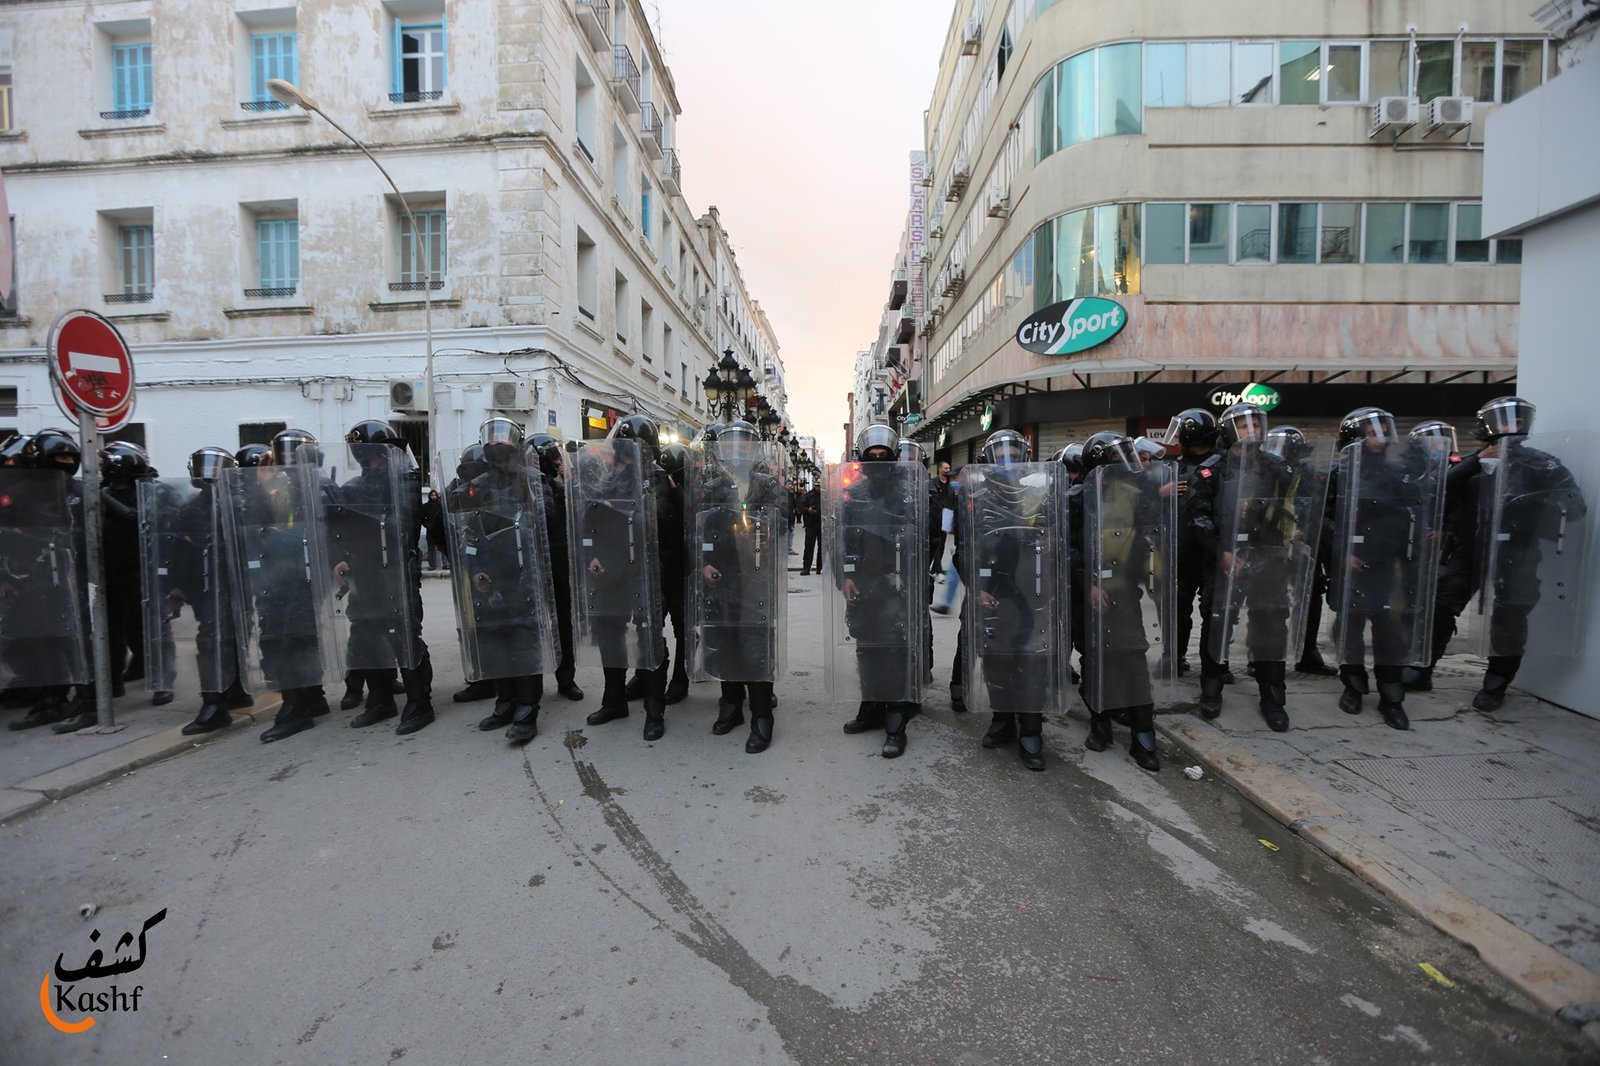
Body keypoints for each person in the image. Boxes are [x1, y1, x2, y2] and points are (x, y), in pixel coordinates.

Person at [1420, 398, 1587, 709]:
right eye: (1506, 419)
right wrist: (1476, 462)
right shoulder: (1468, 463)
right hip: (1469, 550)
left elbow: (1575, 507)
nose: (1514, 424)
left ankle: (1496, 683)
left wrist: (1531, 504)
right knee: (1440, 606)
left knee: (1510, 616)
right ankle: (1422, 670)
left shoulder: (1543, 464)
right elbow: (1435, 494)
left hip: (1517, 551)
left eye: (1519, 418)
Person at [1192, 407, 1331, 731]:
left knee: (1271, 625)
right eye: (1244, 425)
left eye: (1257, 424)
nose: (1252, 430)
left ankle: (1273, 697)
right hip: (1226, 561)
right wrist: (1222, 552)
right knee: (1217, 622)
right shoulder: (1212, 470)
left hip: (1269, 558)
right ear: (1229, 430)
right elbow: (1199, 517)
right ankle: (1211, 687)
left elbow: (1301, 502)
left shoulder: (1275, 467)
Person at [1326, 407, 1447, 730]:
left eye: (1382, 431)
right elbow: (1325, 521)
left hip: (1388, 563)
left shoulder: (1398, 474)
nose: (1379, 438)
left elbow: (1416, 510)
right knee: (1349, 627)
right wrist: (1342, 553)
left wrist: (1428, 533)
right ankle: (1353, 683)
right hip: (1352, 563)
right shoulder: (1340, 475)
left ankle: (1391, 694)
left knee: (1389, 629)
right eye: (1370, 432)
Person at [964, 428, 1065, 771]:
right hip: (993, 589)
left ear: (1025, 456)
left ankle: (1031, 729)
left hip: (1033, 586)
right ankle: (1002, 718)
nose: (1008, 461)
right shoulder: (976, 498)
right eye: (1001, 454)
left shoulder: (1042, 496)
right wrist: (975, 586)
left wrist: (1051, 544)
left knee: (1033, 658)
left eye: (1014, 453)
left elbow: (1061, 541)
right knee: (996, 658)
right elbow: (963, 549)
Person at [453, 418, 558, 743]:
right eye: (492, 440)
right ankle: (505, 702)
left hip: (525, 571)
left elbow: (546, 522)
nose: (497, 446)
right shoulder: (480, 484)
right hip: (491, 575)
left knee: (524, 642)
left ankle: (527, 710)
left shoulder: (532, 480)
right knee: (497, 641)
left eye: (503, 440)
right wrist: (476, 569)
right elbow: (469, 528)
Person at [1075, 432, 1174, 771]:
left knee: (1133, 658)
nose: (1128, 466)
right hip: (1090, 595)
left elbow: (1152, 538)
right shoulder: (1078, 499)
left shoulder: (1137, 497)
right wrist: (1087, 584)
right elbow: (1069, 549)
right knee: (1096, 661)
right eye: (1119, 460)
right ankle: (1100, 724)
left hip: (1126, 592)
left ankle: (1143, 735)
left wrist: (1156, 576)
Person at [332, 420, 435, 735]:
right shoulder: (355, 488)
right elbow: (344, 530)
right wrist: (342, 557)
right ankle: (380, 699)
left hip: (395, 572)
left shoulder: (402, 483)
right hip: (363, 574)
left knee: (403, 636)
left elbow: (400, 526)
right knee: (366, 636)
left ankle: (420, 702)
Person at [691, 420, 788, 753]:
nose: (737, 448)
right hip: (721, 577)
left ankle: (762, 716)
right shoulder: (712, 485)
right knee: (726, 640)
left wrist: (761, 524)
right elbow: (698, 528)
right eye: (730, 443)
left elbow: (783, 523)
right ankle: (730, 705)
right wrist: (703, 562)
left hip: (756, 576)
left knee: (756, 646)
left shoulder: (767, 485)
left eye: (743, 442)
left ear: (753, 447)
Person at [834, 426, 927, 758]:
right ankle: (871, 707)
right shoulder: (853, 494)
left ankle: (896, 722)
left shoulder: (909, 493)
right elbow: (841, 539)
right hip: (864, 584)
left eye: (882, 456)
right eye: (871, 456)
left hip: (898, 583)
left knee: (896, 652)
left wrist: (912, 578)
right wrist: (845, 575)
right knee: (867, 649)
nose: (877, 461)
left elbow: (923, 539)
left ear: (893, 457)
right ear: (861, 459)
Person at [579, 415, 670, 740]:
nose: (624, 454)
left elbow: (662, 523)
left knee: (649, 639)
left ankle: (654, 710)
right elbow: (591, 520)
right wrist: (593, 557)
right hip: (610, 573)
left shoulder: (657, 480)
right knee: (609, 634)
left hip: (645, 572)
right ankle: (614, 700)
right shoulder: (610, 478)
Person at [159, 447, 255, 735]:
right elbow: (181, 548)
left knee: (232, 637)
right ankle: (217, 698)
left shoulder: (238, 504)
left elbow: (241, 542)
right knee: (213, 640)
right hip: (206, 583)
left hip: (233, 580)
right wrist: (176, 585)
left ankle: (228, 695)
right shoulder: (192, 508)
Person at [1162, 408, 1228, 682]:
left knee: (1215, 612)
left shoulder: (1223, 465)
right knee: (1177, 610)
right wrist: (1160, 493)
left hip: (1213, 552)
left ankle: (1217, 665)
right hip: (1181, 550)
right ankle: (1174, 658)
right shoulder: (1171, 467)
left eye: (1180, 432)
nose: (1176, 438)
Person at [800, 480, 822, 575]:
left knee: (822, 547)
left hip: (822, 524)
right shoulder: (808, 495)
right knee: (809, 547)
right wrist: (808, 510)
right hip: (811, 524)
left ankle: (820, 568)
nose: (819, 488)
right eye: (818, 486)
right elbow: (801, 507)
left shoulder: (826, 495)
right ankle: (806, 568)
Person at [421, 489, 446, 570]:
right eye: (432, 495)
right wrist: (428, 525)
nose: (434, 497)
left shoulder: (441, 506)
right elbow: (422, 518)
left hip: (440, 530)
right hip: (431, 530)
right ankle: (432, 564)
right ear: (429, 496)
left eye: (435, 495)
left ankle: (445, 563)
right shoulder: (425, 506)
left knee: (443, 547)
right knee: (431, 548)